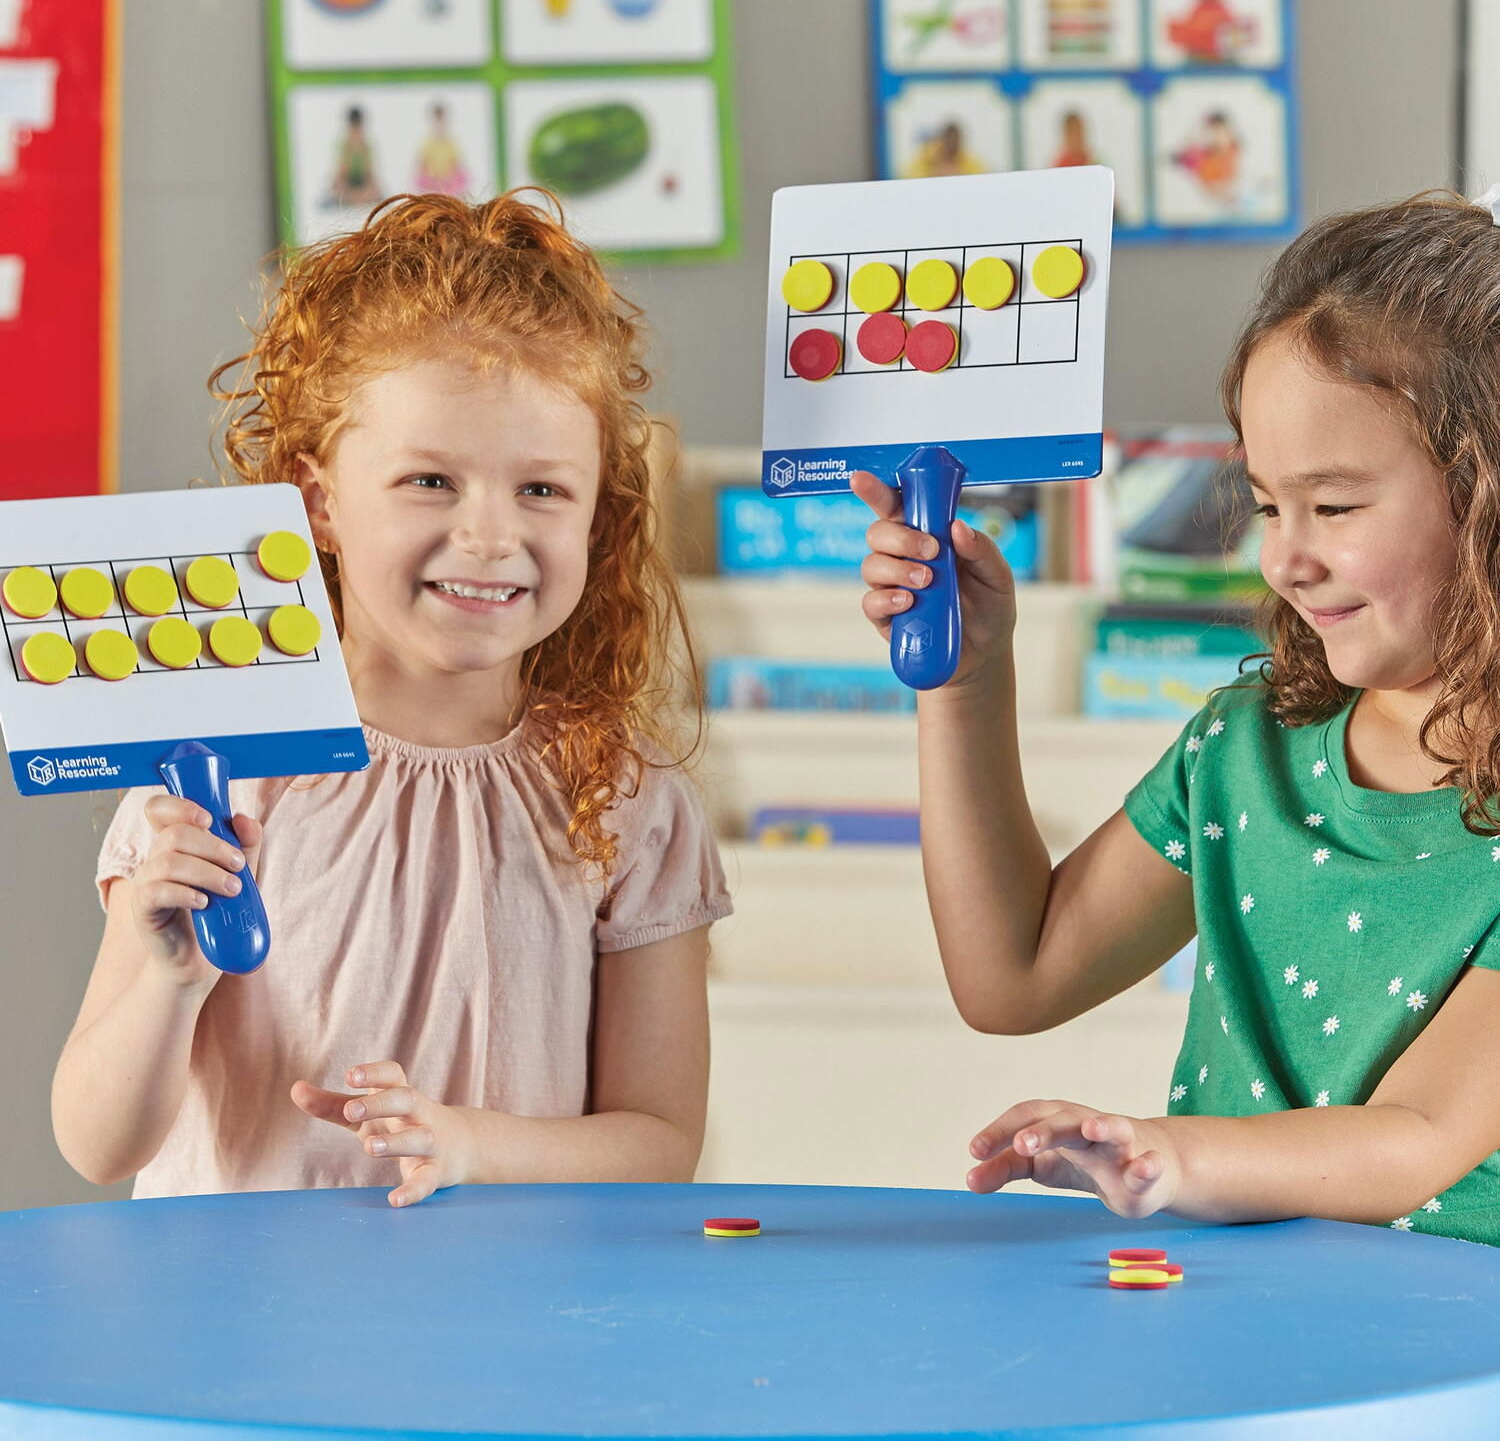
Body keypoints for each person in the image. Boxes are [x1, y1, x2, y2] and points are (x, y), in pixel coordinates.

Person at [52, 192, 730, 1208]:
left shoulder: (625, 799)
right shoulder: (214, 784)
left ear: (598, 517)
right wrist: (169, 979)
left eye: (542, 489)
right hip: (232, 1302)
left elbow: (660, 1143)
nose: (490, 535)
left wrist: (470, 1145)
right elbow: (97, 1144)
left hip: (500, 1303)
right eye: (430, 481)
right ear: (317, 501)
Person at [851, 191, 1500, 1244]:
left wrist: (1171, 1156)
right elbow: (1014, 974)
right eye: (1270, 506)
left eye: (1335, 506)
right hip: (1234, 1311)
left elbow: (1421, 1136)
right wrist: (966, 683)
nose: (1285, 558)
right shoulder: (1243, 749)